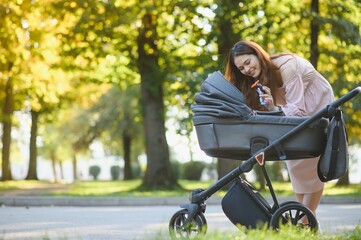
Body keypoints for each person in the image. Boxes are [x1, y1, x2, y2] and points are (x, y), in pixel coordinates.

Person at [224, 40, 334, 217]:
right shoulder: (260, 77)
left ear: (258, 54)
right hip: (293, 111)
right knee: (295, 159)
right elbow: (284, 109)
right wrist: (270, 108)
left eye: (247, 62)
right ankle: (304, 218)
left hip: (316, 103)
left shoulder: (287, 67)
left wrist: (275, 109)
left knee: (311, 158)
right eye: (241, 69)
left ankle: (306, 218)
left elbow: (298, 111)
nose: (247, 70)